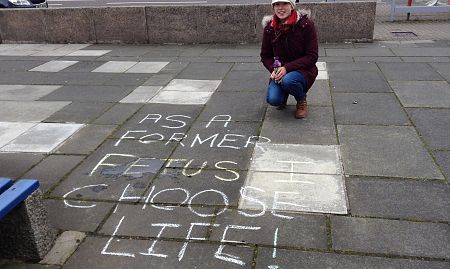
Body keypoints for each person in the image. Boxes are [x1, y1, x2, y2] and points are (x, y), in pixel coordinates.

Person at [260, 0, 318, 118]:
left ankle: (301, 99)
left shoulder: (306, 25)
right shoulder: (269, 28)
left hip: (303, 70)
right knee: (273, 99)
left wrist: (287, 68)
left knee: (289, 81)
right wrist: (273, 69)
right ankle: (284, 92)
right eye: (277, 4)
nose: (280, 8)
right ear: (273, 7)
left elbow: (312, 56)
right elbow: (265, 56)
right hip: (280, 70)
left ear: (292, 6)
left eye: (285, 4)